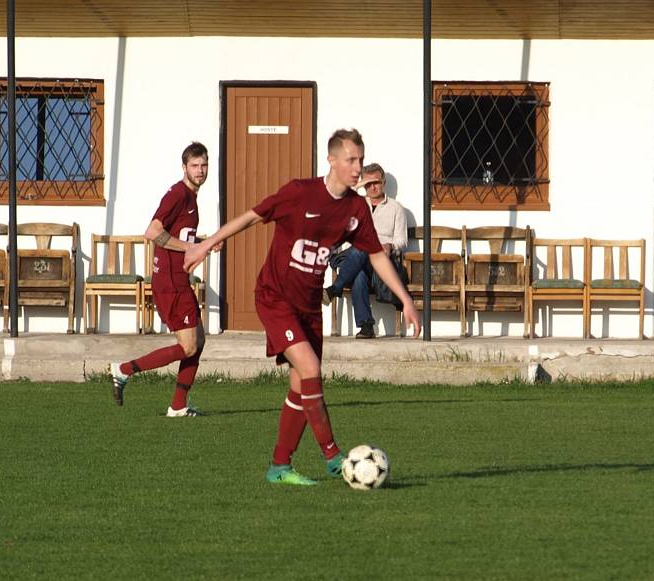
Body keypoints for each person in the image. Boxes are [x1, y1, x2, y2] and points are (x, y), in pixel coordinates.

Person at [184, 128, 421, 486]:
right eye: (351, 160)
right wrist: (205, 246)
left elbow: (375, 255)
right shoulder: (300, 193)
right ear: (332, 160)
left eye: (360, 159)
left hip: (310, 305)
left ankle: (280, 467)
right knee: (310, 368)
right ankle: (331, 455)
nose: (358, 169)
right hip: (275, 297)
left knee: (300, 385)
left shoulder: (356, 209)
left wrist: (405, 300)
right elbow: (250, 217)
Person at [110, 141, 218, 416]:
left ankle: (179, 406)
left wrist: (203, 243)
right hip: (170, 282)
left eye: (204, 165)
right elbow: (152, 231)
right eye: (195, 165)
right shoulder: (178, 195)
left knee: (199, 341)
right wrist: (193, 248)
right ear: (184, 167)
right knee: (189, 345)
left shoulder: (191, 197)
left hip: (179, 279)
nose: (200, 170)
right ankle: (123, 370)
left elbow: (181, 237)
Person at [322, 163, 408, 339]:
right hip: (355, 258)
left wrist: (390, 245)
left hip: (381, 262)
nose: (372, 187)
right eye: (367, 183)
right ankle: (366, 327)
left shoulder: (395, 208)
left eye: (375, 182)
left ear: (383, 183)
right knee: (359, 274)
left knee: (365, 246)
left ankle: (335, 289)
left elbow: (402, 240)